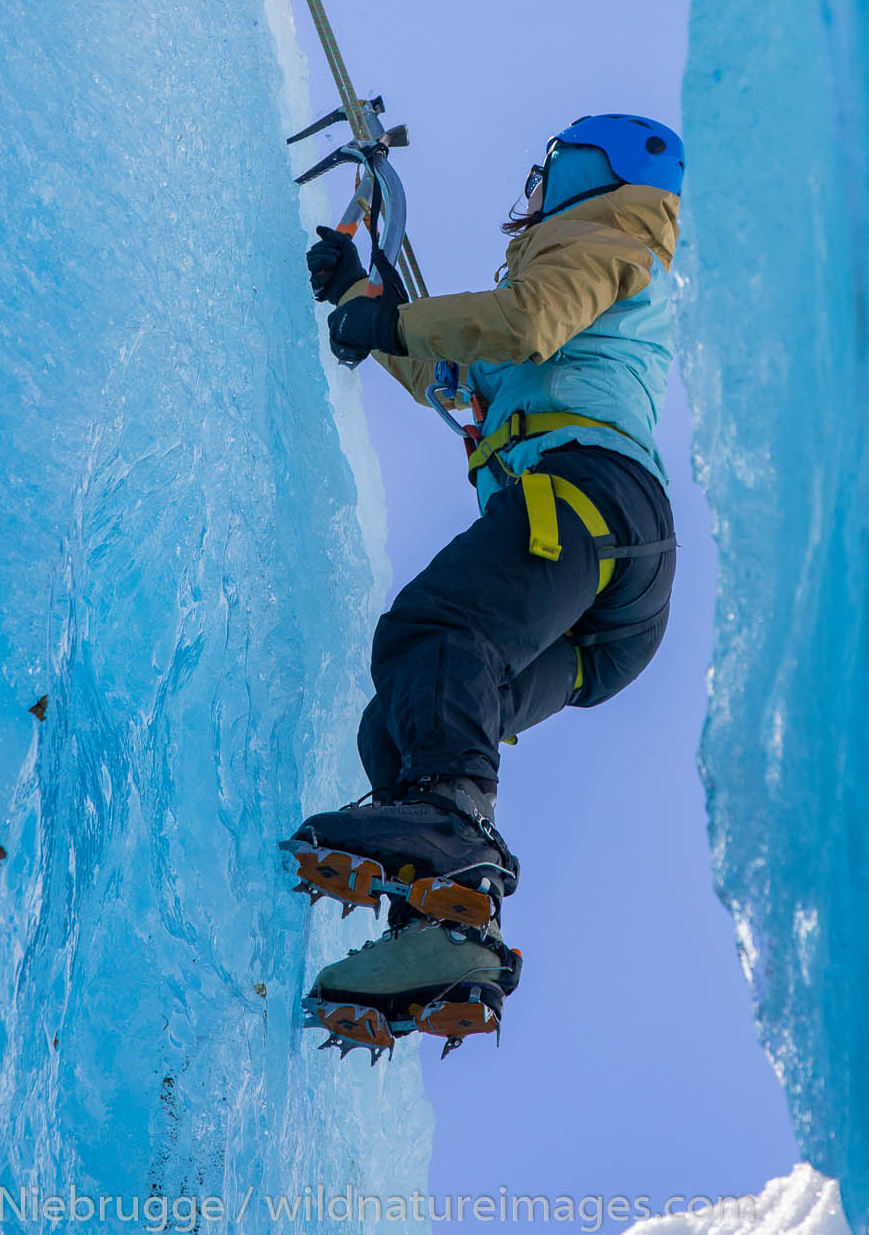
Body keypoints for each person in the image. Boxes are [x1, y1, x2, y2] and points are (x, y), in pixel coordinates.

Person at [282, 114, 683, 1054]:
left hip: (590, 498)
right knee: (411, 711)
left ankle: (447, 833)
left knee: (434, 632)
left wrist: (392, 314)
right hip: (613, 600)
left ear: (596, 165)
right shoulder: (584, 273)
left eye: (548, 172)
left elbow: (525, 324)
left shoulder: (612, 228)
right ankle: (448, 933)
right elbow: (465, 381)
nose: (533, 195)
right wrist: (365, 306)